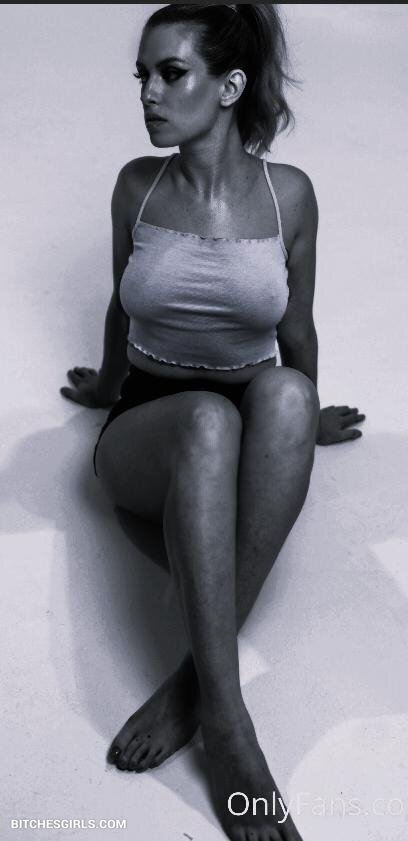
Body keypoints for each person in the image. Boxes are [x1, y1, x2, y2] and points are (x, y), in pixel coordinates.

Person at [60, 4, 366, 839]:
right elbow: (121, 306)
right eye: (143, 76)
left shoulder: (288, 195)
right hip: (150, 428)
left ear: (229, 87)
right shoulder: (137, 186)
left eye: (171, 74)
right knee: (204, 419)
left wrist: (306, 421)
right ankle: (229, 728)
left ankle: (192, 685)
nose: (149, 94)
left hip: (243, 415)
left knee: (286, 395)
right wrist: (106, 385)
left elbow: (296, 328)